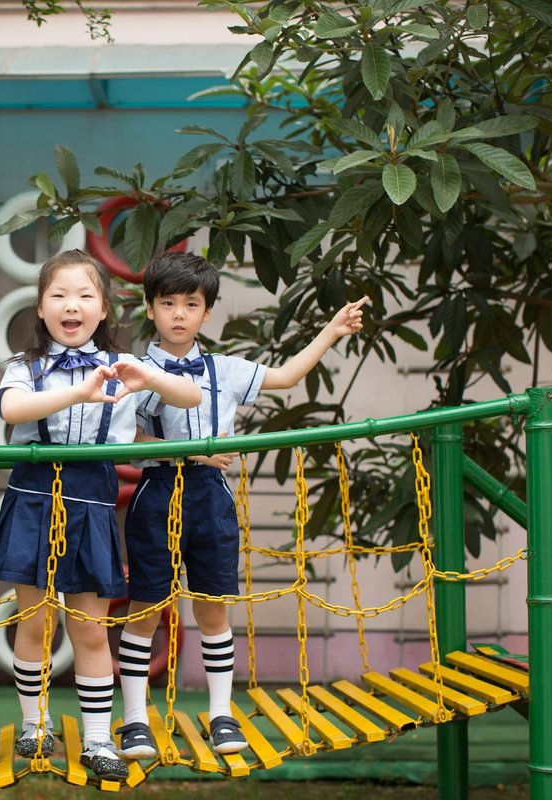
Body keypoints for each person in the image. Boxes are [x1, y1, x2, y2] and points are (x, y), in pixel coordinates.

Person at [116, 251, 368, 759]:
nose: (180, 314)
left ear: (207, 312)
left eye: (192, 304)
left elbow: (288, 376)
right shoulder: (135, 370)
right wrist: (198, 452)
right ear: (150, 309)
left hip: (212, 502)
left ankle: (221, 714)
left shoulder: (225, 370)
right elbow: (126, 438)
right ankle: (136, 721)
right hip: (157, 494)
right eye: (168, 303)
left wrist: (330, 331)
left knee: (213, 609)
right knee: (145, 609)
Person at [0, 249, 201, 780]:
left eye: (84, 295)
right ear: (40, 307)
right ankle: (35, 725)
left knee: (92, 631)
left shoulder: (126, 370)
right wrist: (78, 391)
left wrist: (146, 376)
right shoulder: (24, 366)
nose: (70, 305)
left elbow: (190, 397)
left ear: (104, 309)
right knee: (33, 623)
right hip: (32, 500)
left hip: (92, 507)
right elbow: (11, 411)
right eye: (58, 295)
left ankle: (99, 739)